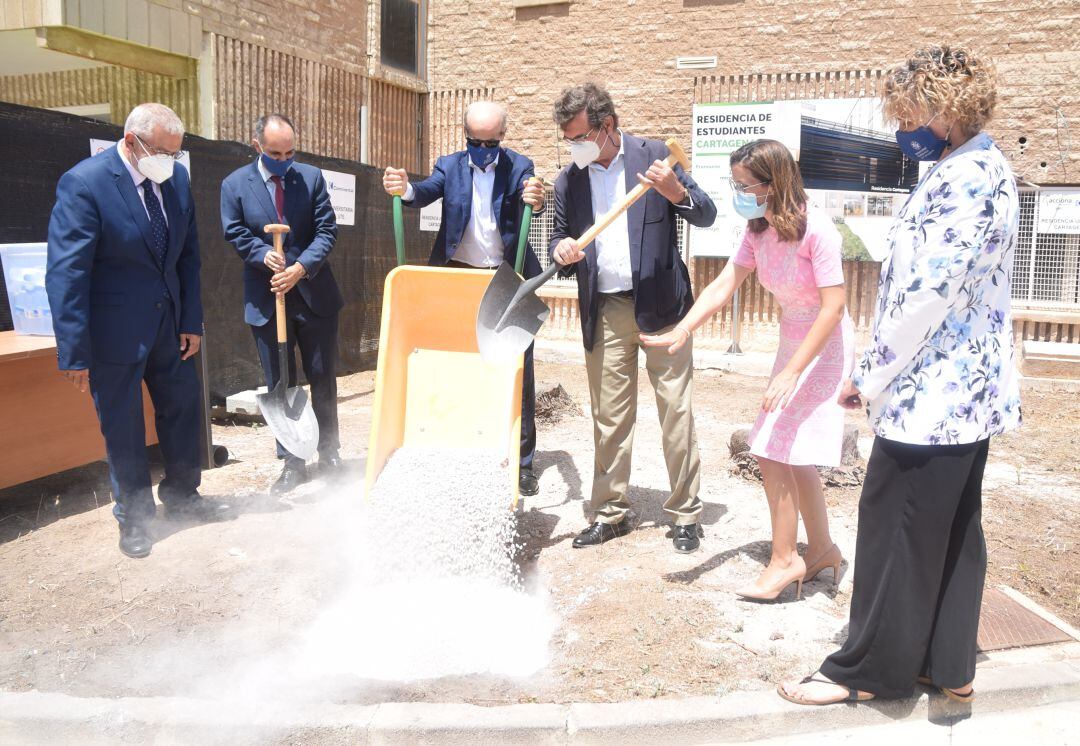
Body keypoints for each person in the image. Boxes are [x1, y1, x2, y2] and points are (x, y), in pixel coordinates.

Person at [778, 44, 1022, 706]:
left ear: (947, 106)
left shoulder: (966, 178)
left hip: (932, 390)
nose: (902, 125)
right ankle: (946, 668)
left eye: (910, 110)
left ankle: (867, 675)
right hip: (961, 392)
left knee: (894, 527)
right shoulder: (977, 167)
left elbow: (925, 295)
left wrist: (872, 372)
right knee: (949, 531)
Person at [642, 139, 851, 594]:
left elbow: (833, 308)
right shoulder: (758, 231)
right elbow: (724, 284)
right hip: (793, 336)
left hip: (824, 344)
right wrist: (685, 328)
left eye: (744, 184)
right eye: (734, 183)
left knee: (769, 445)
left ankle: (785, 559)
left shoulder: (818, 230)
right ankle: (822, 551)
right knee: (791, 453)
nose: (738, 192)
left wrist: (793, 371)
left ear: (773, 183)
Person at [46, 103, 231, 559]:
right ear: (131, 142)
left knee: (183, 411)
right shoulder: (85, 183)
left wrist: (191, 321)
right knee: (123, 427)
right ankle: (135, 518)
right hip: (114, 334)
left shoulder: (176, 180)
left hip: (171, 327)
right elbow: (67, 273)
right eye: (162, 152)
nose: (169, 161)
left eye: (176, 153)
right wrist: (74, 350)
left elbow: (188, 256)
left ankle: (184, 495)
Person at [549, 82, 716, 553]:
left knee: (675, 411)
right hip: (605, 309)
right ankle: (610, 511)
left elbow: (706, 213)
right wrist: (561, 247)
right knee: (609, 417)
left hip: (662, 306)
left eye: (579, 136)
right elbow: (559, 236)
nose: (574, 147)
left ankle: (685, 514)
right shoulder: (570, 180)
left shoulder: (657, 156)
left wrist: (674, 189)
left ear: (608, 127)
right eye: (568, 140)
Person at [382, 101, 546, 497]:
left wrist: (537, 200)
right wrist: (403, 188)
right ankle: (461, 441)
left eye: (490, 142)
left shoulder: (520, 166)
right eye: (475, 141)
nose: (482, 149)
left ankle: (522, 463)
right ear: (465, 136)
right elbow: (421, 194)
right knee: (457, 359)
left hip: (508, 274)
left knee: (518, 362)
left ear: (502, 138)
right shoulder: (450, 165)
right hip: (458, 274)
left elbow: (533, 205)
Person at [221, 114, 344, 494]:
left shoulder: (310, 178)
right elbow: (234, 230)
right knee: (279, 382)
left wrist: (301, 267)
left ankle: (329, 452)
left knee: (322, 376)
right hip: (266, 298)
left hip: (313, 295)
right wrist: (262, 254)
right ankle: (292, 461)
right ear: (256, 145)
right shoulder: (234, 184)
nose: (284, 159)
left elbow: (327, 229)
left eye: (291, 152)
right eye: (276, 152)